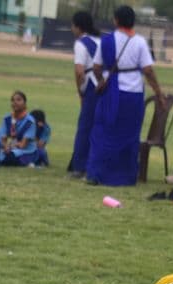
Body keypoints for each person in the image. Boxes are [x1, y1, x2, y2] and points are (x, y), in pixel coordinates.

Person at [85, 5, 166, 186]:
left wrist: (101, 82)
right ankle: (124, 176)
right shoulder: (139, 42)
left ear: (116, 20)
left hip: (110, 92)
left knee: (104, 131)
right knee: (129, 134)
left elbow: (97, 67)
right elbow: (148, 71)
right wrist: (159, 93)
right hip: (133, 94)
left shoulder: (106, 40)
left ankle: (97, 174)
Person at [67, 11, 101, 177]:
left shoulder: (80, 43)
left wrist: (80, 91)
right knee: (98, 127)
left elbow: (79, 71)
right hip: (103, 85)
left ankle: (79, 167)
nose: (72, 29)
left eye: (73, 25)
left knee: (85, 127)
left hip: (91, 85)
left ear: (78, 27)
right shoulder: (99, 40)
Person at [0, 90, 39, 167]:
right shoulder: (7, 118)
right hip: (11, 149)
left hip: (25, 151)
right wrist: (5, 146)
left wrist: (9, 147)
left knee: (10, 158)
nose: (15, 102)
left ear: (24, 103)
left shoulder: (30, 122)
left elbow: (22, 145)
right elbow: (3, 139)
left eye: (18, 100)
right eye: (13, 100)